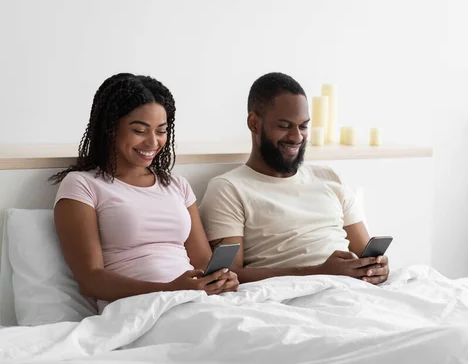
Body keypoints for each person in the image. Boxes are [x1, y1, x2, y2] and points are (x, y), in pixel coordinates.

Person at [51, 73, 238, 312]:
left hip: (194, 300)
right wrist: (170, 289)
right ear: (110, 128)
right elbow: (91, 280)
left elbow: (202, 262)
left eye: (161, 131)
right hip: (140, 308)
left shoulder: (177, 186)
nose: (153, 142)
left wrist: (222, 278)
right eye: (140, 130)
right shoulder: (82, 185)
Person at [199, 72, 389, 284]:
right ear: (254, 123)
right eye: (284, 126)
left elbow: (365, 253)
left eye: (303, 126)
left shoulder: (329, 177)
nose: (296, 137)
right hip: (290, 296)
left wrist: (377, 268)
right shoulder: (228, 189)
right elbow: (228, 275)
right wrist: (320, 272)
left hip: (353, 290)